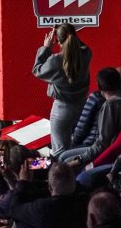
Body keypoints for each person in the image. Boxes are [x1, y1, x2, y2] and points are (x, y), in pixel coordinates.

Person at [32, 23, 92, 155]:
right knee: (79, 146)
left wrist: (46, 48)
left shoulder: (55, 61)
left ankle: (61, 168)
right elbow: (80, 45)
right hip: (83, 106)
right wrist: (68, 32)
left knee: (59, 151)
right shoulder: (86, 53)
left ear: (58, 41)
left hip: (62, 110)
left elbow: (37, 70)